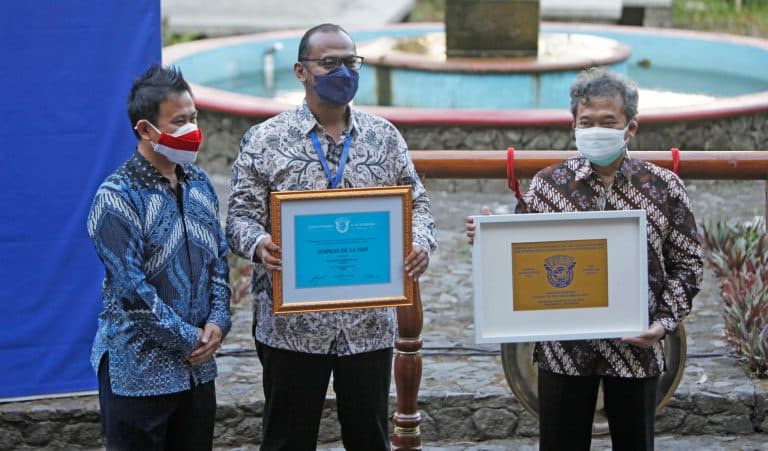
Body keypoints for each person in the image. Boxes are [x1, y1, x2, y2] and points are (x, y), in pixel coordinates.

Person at [466, 68, 703, 451]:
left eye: (608, 122)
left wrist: (661, 324)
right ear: (573, 125)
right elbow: (518, 258)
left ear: (631, 128)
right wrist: (489, 237)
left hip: (636, 348)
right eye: (586, 122)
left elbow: (688, 265)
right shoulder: (547, 186)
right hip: (564, 349)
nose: (596, 129)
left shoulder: (663, 187)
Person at [226, 23, 437, 451]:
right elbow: (238, 218)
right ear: (300, 71)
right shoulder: (267, 140)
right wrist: (259, 244)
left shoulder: (385, 138)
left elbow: (419, 206)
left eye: (350, 62)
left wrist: (420, 243)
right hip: (292, 326)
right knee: (287, 439)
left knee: (369, 436)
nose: (342, 71)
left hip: (368, 323)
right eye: (329, 63)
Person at [87, 65, 231, 450]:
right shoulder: (117, 198)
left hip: (197, 373)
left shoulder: (198, 182)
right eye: (180, 121)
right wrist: (190, 339)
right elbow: (132, 293)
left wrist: (218, 320)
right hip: (138, 372)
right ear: (146, 130)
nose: (193, 129)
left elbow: (218, 258)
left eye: (194, 117)